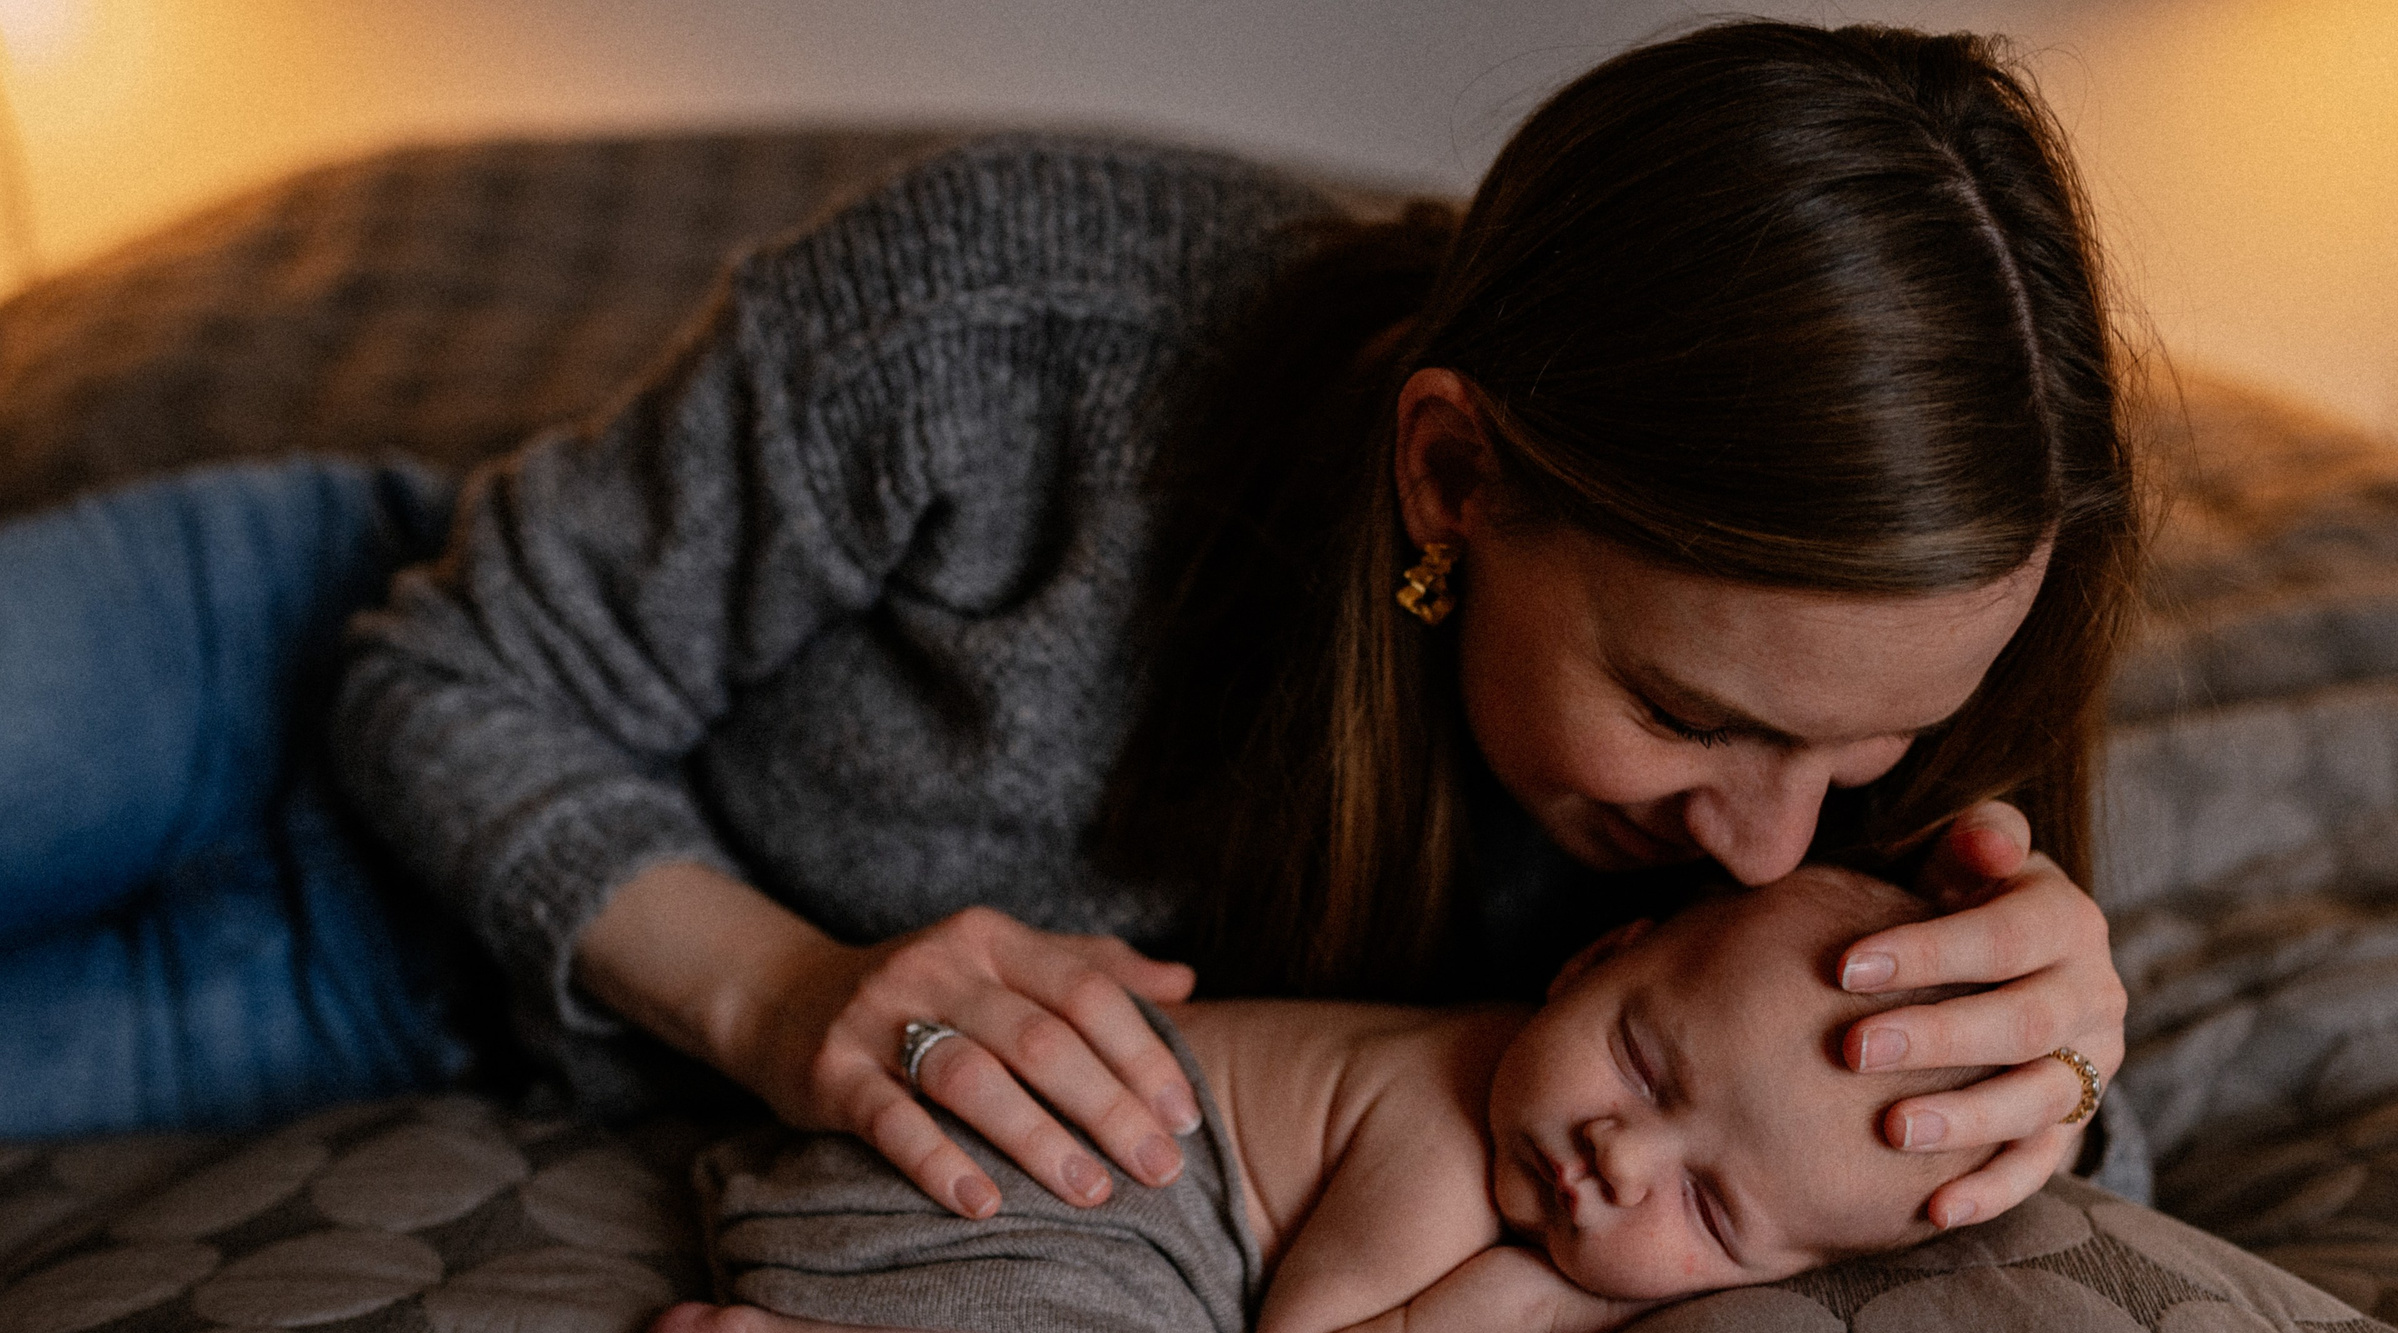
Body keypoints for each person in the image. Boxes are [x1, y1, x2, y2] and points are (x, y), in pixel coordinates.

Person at [0, 22, 2136, 1237]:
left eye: (1851, 766)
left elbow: (1979, 1203)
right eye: (1685, 715)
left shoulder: (1863, 752)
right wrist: (788, 1002)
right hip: (267, 672)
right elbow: (431, 672)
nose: (1764, 847)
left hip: (396, 1001)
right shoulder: (1013, 331)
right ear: (1451, 479)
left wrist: (2047, 1078)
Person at [642, 866, 2009, 1333]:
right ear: (1595, 959)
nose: (1618, 1157)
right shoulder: (1444, 1124)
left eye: (1709, 1214)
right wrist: (1532, 1299)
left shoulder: (1547, 1133)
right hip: (967, 1168)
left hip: (1079, 1197)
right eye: (1642, 1064)